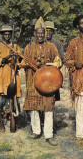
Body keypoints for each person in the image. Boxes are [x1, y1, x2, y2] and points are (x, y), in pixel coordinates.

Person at [19, 17, 62, 146]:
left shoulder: (51, 46)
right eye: (38, 33)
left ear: (45, 34)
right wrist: (24, 64)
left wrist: (48, 65)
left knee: (48, 108)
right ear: (34, 34)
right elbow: (23, 62)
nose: (40, 36)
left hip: (47, 82)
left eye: (42, 33)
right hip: (32, 81)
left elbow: (58, 61)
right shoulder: (28, 47)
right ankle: (36, 131)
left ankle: (48, 135)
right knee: (33, 108)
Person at [0, 25, 22, 133]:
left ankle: (13, 121)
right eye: (5, 34)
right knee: (0, 102)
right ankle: (1, 125)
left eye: (9, 33)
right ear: (2, 35)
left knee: (13, 100)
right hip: (1, 77)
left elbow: (20, 61)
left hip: (12, 75)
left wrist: (15, 61)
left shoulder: (16, 47)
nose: (7, 35)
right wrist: (7, 58)